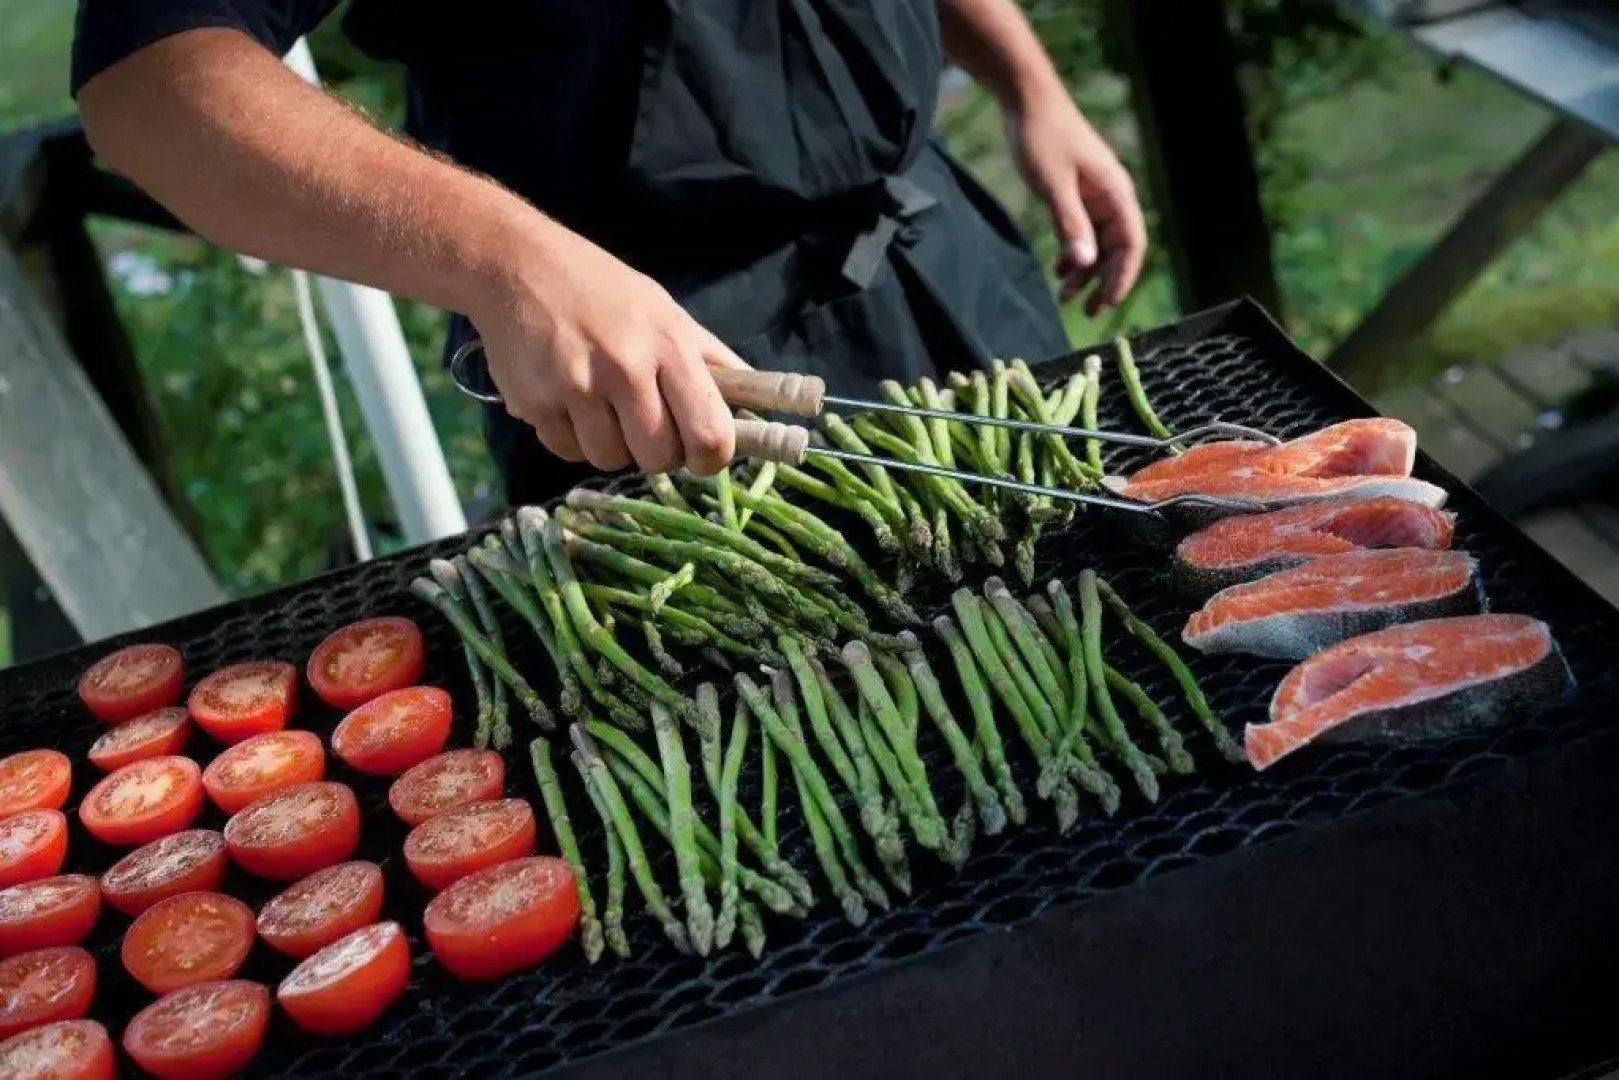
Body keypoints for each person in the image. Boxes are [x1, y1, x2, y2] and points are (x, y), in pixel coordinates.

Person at [71, 1, 1146, 508]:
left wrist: (1028, 85)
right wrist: (511, 261)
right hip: (649, 375)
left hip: (943, 260)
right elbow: (150, 81)